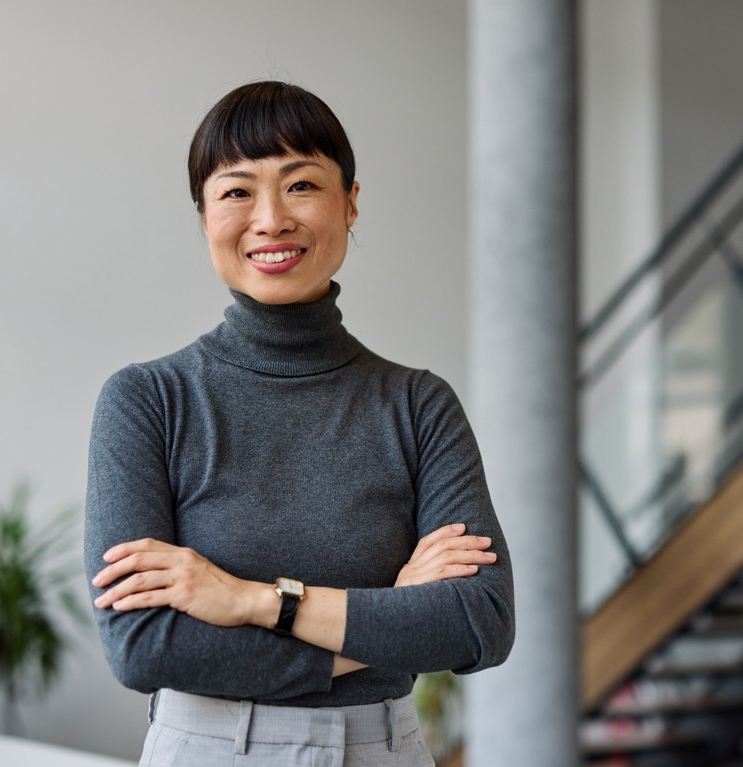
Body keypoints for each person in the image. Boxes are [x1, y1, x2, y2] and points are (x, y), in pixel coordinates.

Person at [84, 80, 514, 767]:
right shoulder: (148, 401)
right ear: (203, 216)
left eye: (302, 184)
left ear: (350, 204)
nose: (271, 218)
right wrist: (387, 618)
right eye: (236, 191)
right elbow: (142, 646)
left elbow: (479, 622)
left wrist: (252, 600)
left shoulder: (419, 406)